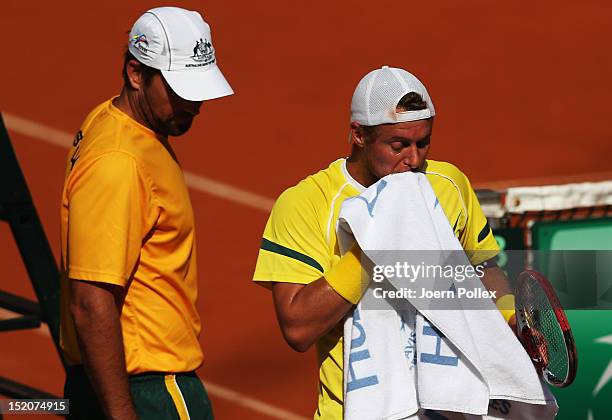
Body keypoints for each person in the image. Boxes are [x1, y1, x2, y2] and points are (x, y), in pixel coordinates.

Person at [253, 66, 516, 419]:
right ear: (359, 135)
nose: (414, 159)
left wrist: (510, 317)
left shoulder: (448, 184)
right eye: (398, 145)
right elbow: (297, 327)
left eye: (423, 143)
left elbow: (482, 269)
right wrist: (380, 247)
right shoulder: (306, 203)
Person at [59, 6, 233, 420]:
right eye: (178, 90)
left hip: (114, 379)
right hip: (149, 389)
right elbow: (91, 300)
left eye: (198, 90)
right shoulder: (119, 162)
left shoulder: (112, 120)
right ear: (136, 74)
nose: (193, 104)